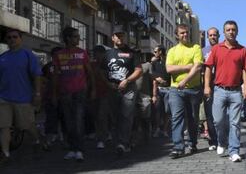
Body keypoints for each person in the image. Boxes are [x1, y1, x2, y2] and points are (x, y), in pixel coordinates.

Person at [204, 20, 246, 162]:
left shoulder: (243, 50)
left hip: (236, 91)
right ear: (224, 32)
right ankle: (221, 142)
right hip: (219, 90)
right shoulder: (216, 49)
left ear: (237, 31)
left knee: (235, 123)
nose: (231, 32)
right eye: (228, 30)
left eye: (233, 29)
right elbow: (208, 68)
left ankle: (234, 150)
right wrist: (207, 86)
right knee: (218, 121)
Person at [52, 27, 95, 161]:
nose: (78, 39)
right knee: (68, 122)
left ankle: (79, 150)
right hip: (65, 93)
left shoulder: (82, 53)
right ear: (68, 38)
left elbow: (90, 73)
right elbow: (55, 76)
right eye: (75, 36)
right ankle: (72, 148)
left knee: (78, 121)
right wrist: (54, 94)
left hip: (79, 92)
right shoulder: (58, 55)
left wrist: (92, 89)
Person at [0, 29, 43, 164]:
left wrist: (37, 93)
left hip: (23, 98)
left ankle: (37, 140)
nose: (12, 39)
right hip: (3, 98)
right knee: (4, 126)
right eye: (9, 37)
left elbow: (37, 75)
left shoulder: (27, 55)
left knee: (27, 126)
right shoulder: (2, 57)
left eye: (15, 37)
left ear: (20, 39)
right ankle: (5, 154)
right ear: (6, 40)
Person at [102, 26, 142, 155]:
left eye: (122, 35)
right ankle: (119, 141)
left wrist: (127, 81)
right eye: (117, 35)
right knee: (114, 117)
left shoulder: (131, 53)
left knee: (126, 116)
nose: (120, 38)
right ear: (112, 37)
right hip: (112, 89)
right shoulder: (107, 54)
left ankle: (122, 143)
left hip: (128, 89)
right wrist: (108, 84)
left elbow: (138, 70)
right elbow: (101, 71)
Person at [166, 24, 203, 159]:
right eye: (182, 33)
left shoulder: (196, 48)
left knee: (193, 118)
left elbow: (198, 67)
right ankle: (178, 147)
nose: (185, 35)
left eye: (186, 32)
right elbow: (169, 69)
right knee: (177, 117)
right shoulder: (172, 51)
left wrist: (185, 80)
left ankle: (192, 143)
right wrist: (188, 66)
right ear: (177, 35)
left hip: (193, 89)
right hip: (175, 89)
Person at [202, 27, 220, 150]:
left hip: (220, 84)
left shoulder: (223, 48)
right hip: (207, 85)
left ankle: (222, 138)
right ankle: (213, 140)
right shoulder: (203, 51)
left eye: (215, 35)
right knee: (210, 115)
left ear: (218, 36)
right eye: (210, 35)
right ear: (207, 37)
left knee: (222, 114)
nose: (212, 37)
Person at [151, 45, 170, 138]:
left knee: (167, 110)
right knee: (157, 110)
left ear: (161, 52)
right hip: (158, 89)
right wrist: (154, 94)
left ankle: (165, 130)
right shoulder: (154, 63)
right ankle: (157, 129)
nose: (154, 53)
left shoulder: (169, 61)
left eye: (155, 51)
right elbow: (152, 75)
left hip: (169, 89)